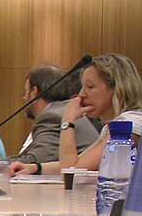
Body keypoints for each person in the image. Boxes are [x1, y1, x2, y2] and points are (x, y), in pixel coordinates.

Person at [9, 53, 142, 176]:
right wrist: (34, 168)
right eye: (82, 87)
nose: (81, 94)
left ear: (117, 88)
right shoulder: (114, 125)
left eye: (90, 87)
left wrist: (68, 120)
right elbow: (78, 161)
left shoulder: (129, 125)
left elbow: (71, 172)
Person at [8, 65, 98, 164]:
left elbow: (34, 161)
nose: (25, 99)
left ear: (34, 92)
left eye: (25, 94)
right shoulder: (62, 110)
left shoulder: (52, 117)